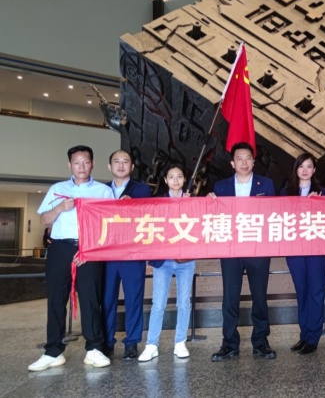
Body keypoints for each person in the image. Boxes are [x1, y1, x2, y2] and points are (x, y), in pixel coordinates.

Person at [28, 145, 113, 372]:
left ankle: (94, 348)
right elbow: (43, 221)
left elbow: (110, 223)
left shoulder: (103, 191)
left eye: (85, 162)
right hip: (60, 248)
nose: (81, 167)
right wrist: (59, 208)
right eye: (77, 162)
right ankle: (53, 351)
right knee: (56, 299)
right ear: (69, 165)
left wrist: (89, 249)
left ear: (92, 164)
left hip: (90, 248)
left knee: (90, 298)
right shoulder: (57, 189)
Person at [209, 142, 277, 361]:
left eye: (248, 158)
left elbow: (274, 213)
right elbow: (212, 216)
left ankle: (261, 341)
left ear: (253, 162)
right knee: (230, 297)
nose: (244, 163)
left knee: (259, 296)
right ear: (232, 163)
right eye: (239, 158)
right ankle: (229, 343)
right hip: (231, 250)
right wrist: (209, 203)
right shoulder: (221, 187)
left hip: (258, 249)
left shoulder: (266, 184)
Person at [138, 164, 195, 362]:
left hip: (186, 259)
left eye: (179, 176)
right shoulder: (157, 202)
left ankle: (180, 342)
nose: (176, 180)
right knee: (158, 303)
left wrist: (190, 205)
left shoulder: (192, 202)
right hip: (162, 260)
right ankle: (151, 344)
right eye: (171, 177)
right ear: (165, 180)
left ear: (184, 179)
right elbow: (150, 229)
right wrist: (148, 256)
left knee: (184, 302)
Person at [103, 150, 152, 361]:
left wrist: (133, 207)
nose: (121, 165)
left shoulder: (142, 189)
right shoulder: (101, 191)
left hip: (132, 253)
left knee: (133, 299)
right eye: (117, 161)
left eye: (126, 162)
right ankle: (106, 341)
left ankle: (131, 342)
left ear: (132, 167)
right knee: (106, 300)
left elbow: (150, 217)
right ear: (109, 166)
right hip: (106, 254)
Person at [281, 152, 325, 355]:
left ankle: (313, 337)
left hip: (317, 250)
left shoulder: (324, 193)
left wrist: (319, 203)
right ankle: (304, 334)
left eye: (309, 166)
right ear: (296, 169)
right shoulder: (285, 192)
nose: (305, 170)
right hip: (294, 249)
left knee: (316, 292)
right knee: (301, 291)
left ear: (314, 170)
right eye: (301, 166)